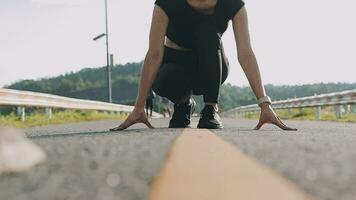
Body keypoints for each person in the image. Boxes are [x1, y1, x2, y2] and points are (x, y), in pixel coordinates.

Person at [110, 0, 297, 131]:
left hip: (211, 67)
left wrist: (264, 104)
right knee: (164, 80)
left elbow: (246, 54)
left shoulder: (233, 4)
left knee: (207, 30)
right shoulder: (166, 3)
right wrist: (139, 107)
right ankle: (183, 105)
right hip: (175, 66)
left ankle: (210, 109)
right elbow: (154, 54)